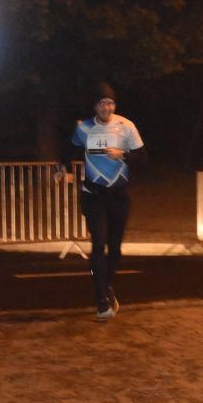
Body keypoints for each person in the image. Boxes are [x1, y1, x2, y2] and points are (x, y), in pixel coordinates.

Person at [60, 82, 145, 321]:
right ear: (94, 106)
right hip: (94, 195)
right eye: (101, 103)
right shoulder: (84, 128)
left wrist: (123, 155)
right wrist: (62, 168)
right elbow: (69, 150)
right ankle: (100, 301)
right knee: (99, 244)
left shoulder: (126, 126)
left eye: (110, 103)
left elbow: (143, 159)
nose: (106, 107)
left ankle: (107, 285)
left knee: (115, 249)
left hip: (119, 196)